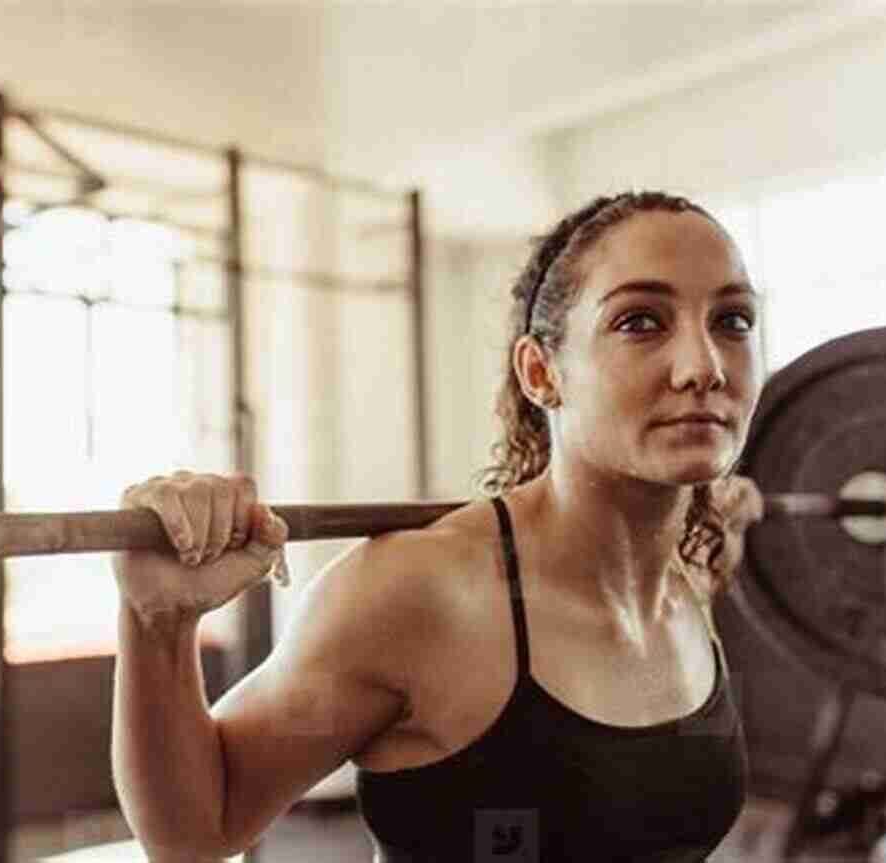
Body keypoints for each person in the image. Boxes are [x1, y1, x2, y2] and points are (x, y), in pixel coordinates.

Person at [111, 190, 768, 862]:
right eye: (639, 322)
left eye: (733, 320)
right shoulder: (421, 592)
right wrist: (157, 621)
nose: (705, 367)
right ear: (541, 373)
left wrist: (726, 509)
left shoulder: (692, 568)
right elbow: (195, 829)